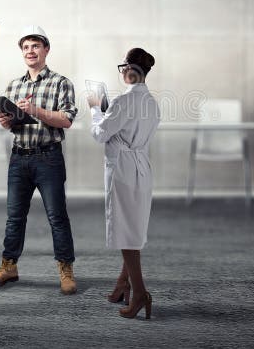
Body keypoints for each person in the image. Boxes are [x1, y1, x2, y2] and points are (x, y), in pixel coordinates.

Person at [0, 25, 79, 295]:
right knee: (14, 217)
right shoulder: (14, 85)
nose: (30, 51)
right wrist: (7, 122)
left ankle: (65, 269)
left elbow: (66, 120)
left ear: (46, 50)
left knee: (57, 217)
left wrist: (34, 110)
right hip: (19, 158)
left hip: (48, 158)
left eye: (35, 46)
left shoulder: (61, 83)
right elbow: (12, 125)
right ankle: (9, 265)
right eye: (26, 47)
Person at [88, 48, 160, 319]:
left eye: (123, 68)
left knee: (126, 232)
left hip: (123, 170)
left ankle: (140, 293)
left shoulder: (123, 102)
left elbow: (99, 134)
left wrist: (96, 108)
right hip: (142, 166)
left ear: (129, 69)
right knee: (134, 227)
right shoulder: (152, 102)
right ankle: (123, 285)